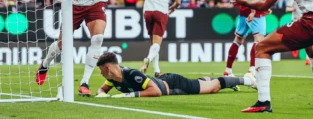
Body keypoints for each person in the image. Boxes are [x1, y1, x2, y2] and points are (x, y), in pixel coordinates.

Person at [95, 52, 256, 98]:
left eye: (101, 70)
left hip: (173, 84)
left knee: (213, 88)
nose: (101, 73)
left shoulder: (131, 74)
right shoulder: (112, 78)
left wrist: (130, 96)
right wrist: (102, 94)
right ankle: (229, 81)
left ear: (108, 67)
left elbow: (155, 91)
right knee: (202, 83)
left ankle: (248, 80)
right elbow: (101, 91)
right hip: (168, 87)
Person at [224, 0, 267, 87]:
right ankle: (251, 71)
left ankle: (228, 70)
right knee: (258, 40)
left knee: (238, 39)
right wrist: (255, 10)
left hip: (244, 7)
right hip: (253, 8)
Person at [140, 0, 181, 76]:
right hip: (160, 12)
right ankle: (148, 59)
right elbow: (178, 1)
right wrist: (173, 7)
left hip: (147, 12)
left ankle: (157, 71)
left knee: (153, 43)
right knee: (157, 43)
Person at [285, 0, 310, 65]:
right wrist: (293, 9)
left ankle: (308, 59)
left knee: (308, 40)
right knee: (298, 38)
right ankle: (295, 47)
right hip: (295, 20)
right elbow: (287, 9)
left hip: (304, 20)